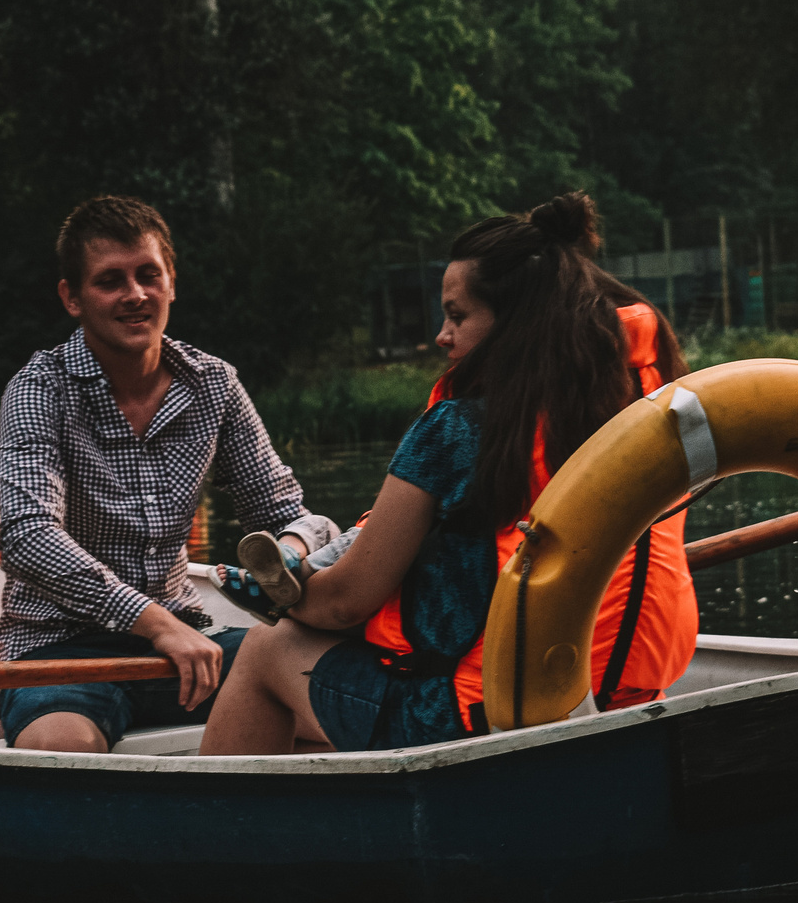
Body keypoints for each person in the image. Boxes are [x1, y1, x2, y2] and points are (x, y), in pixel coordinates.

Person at [200, 191, 693, 755]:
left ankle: (218, 815)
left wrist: (291, 602)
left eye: (458, 316)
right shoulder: (646, 413)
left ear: (517, 323)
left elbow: (345, 603)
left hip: (485, 717)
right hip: (623, 700)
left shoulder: (458, 430)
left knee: (268, 649)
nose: (442, 335)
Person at [0, 195, 337, 753]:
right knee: (61, 748)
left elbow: (283, 511)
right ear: (72, 298)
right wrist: (155, 623)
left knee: (343, 690)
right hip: (60, 650)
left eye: (148, 275)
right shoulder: (39, 388)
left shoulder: (214, 384)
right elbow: (28, 537)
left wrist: (291, 548)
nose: (135, 294)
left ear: (171, 283)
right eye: (110, 281)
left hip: (188, 645)